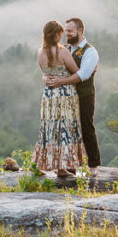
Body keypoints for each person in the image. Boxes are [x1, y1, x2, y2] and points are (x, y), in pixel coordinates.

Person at [45, 17, 100, 177]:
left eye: (70, 31)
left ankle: (94, 165)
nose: (66, 34)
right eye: (66, 31)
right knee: (68, 129)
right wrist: (47, 79)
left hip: (84, 95)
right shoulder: (65, 49)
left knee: (86, 127)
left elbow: (83, 75)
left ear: (80, 31)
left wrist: (61, 81)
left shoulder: (90, 51)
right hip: (66, 97)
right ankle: (70, 166)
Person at [32, 20, 86, 178]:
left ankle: (41, 163)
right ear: (56, 34)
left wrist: (45, 78)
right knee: (65, 129)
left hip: (49, 95)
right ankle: (62, 167)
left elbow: (44, 73)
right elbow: (76, 72)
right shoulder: (62, 52)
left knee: (49, 128)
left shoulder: (40, 52)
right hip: (65, 94)